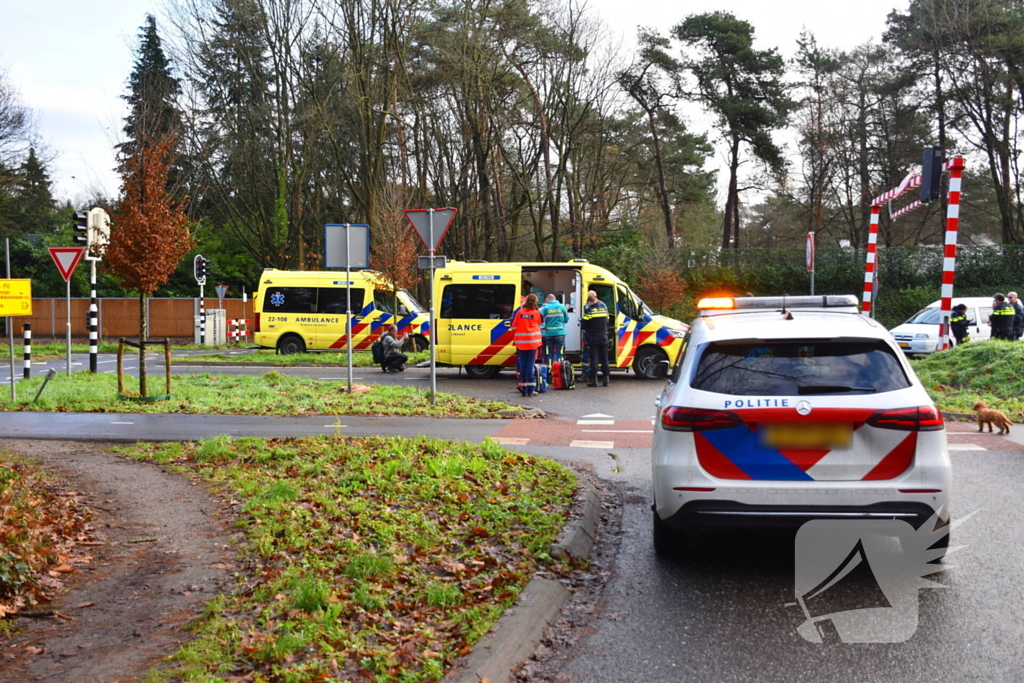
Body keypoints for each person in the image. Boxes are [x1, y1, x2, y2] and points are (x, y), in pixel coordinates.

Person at [510, 293, 544, 396]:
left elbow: (513, 327)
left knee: (522, 364)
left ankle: (523, 388)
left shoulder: (520, 313)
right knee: (530, 364)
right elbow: (539, 324)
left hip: (521, 343)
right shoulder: (536, 313)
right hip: (533, 343)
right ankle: (531, 389)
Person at [582, 290, 612, 387]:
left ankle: (593, 380)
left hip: (593, 337)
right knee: (604, 358)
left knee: (594, 358)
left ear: (590, 302)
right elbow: (607, 322)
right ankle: (606, 380)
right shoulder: (604, 310)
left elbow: (583, 325)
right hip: (604, 337)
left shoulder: (589, 311)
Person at [539, 294, 569, 363]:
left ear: (548, 300)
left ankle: (549, 370)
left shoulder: (546, 308)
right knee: (560, 354)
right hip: (560, 333)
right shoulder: (562, 307)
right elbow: (566, 320)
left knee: (549, 353)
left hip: (549, 334)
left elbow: (540, 319)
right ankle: (560, 370)